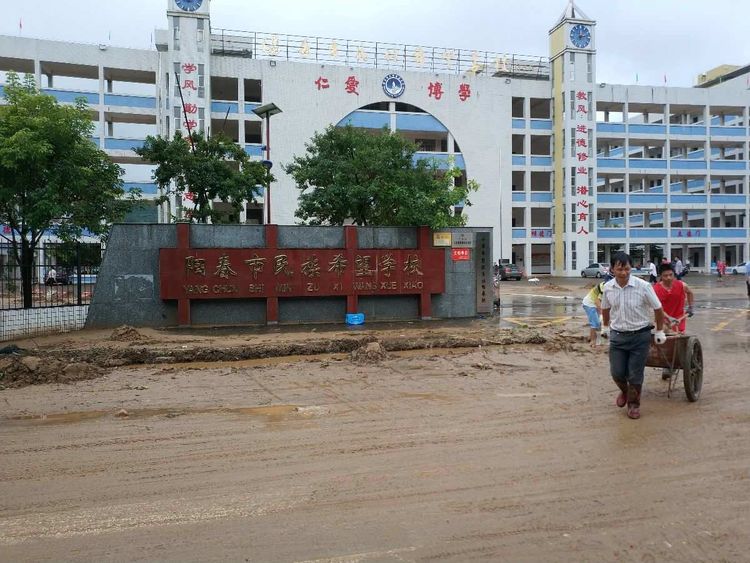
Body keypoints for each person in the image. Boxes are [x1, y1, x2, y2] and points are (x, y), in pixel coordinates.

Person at [600, 252, 666, 420]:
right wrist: (605, 327)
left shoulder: (643, 286)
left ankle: (634, 404)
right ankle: (624, 391)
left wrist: (659, 331)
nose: (624, 273)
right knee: (617, 373)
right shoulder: (607, 287)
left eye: (627, 269)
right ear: (612, 269)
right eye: (620, 269)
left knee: (635, 374)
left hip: (640, 337)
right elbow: (605, 309)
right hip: (617, 337)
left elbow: (658, 308)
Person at [582, 281, 605, 346]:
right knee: (596, 323)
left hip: (594, 303)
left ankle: (590, 337)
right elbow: (597, 302)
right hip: (589, 304)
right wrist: (601, 313)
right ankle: (593, 341)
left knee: (595, 321)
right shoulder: (604, 286)